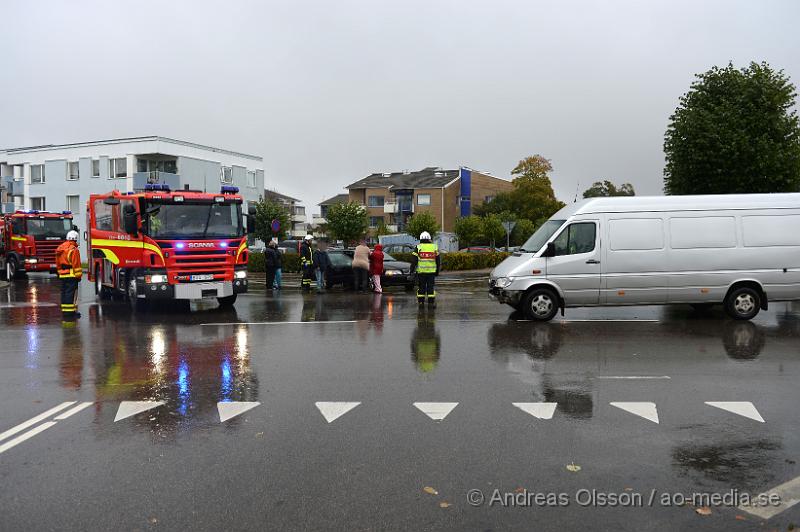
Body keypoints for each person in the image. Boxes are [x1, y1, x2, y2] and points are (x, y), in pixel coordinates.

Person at [56, 230, 82, 319]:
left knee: (64, 293)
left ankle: (65, 312)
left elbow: (58, 263)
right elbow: (76, 265)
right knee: (70, 294)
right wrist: (78, 276)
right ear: (75, 239)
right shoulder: (74, 250)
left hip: (63, 275)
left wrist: (60, 272)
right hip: (71, 275)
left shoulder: (60, 248)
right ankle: (70, 314)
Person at [412, 231, 440, 308]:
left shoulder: (418, 247)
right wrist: (437, 270)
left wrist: (411, 271)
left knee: (421, 287)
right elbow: (438, 260)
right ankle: (431, 303)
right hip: (431, 272)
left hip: (421, 272)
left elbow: (414, 261)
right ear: (429, 239)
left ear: (421, 238)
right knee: (430, 287)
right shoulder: (434, 247)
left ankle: (421, 302)